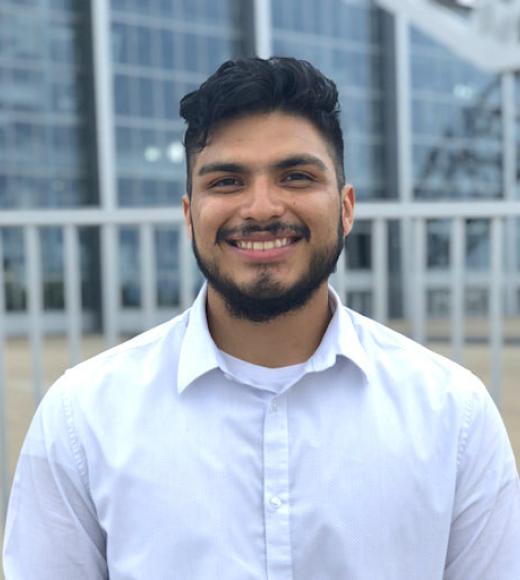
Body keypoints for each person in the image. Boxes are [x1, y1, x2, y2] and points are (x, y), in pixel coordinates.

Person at [3, 57, 519, 579]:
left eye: (295, 176)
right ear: (189, 216)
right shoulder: (84, 417)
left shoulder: (454, 415)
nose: (262, 207)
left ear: (345, 207)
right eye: (227, 181)